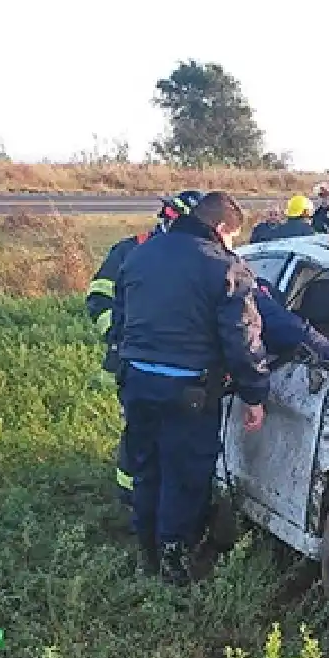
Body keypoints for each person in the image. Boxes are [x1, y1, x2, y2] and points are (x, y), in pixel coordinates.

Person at [109, 191, 269, 585]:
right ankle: (174, 562)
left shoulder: (141, 253)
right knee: (186, 475)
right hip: (188, 391)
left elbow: (121, 318)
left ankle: (145, 549)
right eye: (232, 235)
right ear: (219, 228)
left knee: (147, 467)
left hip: (137, 382)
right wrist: (254, 394)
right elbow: (241, 338)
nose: (232, 243)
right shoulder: (223, 267)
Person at [85, 190, 205, 506]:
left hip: (168, 361)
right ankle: (131, 495)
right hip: (131, 360)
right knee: (139, 432)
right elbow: (98, 295)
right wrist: (118, 334)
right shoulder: (131, 250)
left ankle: (155, 498)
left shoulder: (193, 255)